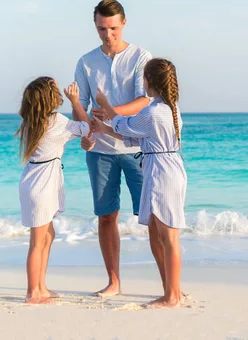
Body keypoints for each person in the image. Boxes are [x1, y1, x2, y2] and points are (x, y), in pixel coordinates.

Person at [92, 58, 187, 308]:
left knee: (168, 235)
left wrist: (105, 105)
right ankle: (173, 290)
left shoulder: (152, 112)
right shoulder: (170, 109)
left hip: (161, 171)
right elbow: (135, 138)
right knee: (160, 231)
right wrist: (104, 130)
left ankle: (172, 296)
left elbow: (125, 124)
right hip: (166, 166)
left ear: (149, 81)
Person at [73, 0, 152, 297]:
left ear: (124, 23)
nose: (108, 35)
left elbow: (144, 100)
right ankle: (114, 282)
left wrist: (111, 112)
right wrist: (84, 129)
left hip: (136, 148)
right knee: (106, 217)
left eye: (113, 28)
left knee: (153, 217)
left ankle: (169, 285)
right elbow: (80, 106)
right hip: (100, 151)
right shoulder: (86, 61)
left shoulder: (140, 57)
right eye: (101, 29)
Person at [17, 78, 91, 304]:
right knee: (38, 242)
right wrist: (76, 102)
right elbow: (87, 127)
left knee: (48, 236)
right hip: (42, 186)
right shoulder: (56, 122)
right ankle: (33, 293)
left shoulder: (33, 121)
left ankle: (41, 286)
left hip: (34, 182)